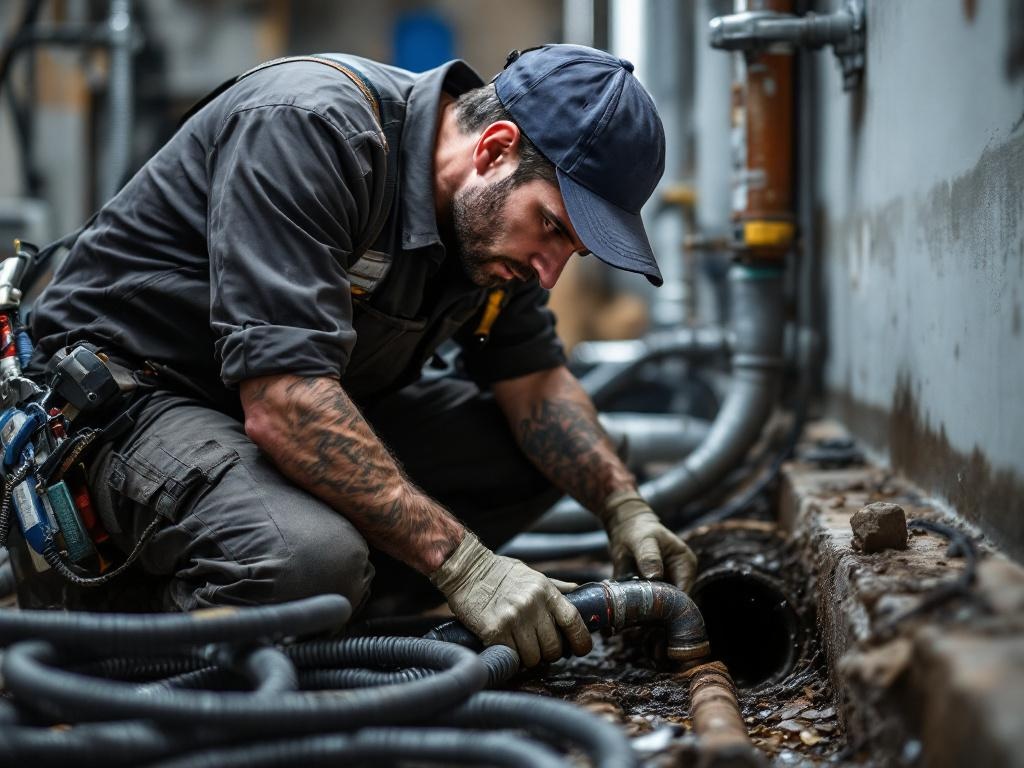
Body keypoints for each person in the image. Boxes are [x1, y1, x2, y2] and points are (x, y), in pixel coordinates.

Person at [28, 44, 697, 668]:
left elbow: (537, 382)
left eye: (570, 251)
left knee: (537, 454)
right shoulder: (313, 128)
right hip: (132, 403)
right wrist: (465, 566)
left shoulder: (488, 228)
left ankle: (325, 617)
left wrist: (622, 507)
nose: (550, 274)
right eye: (552, 228)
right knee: (302, 561)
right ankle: (111, 644)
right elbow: (286, 401)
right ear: (495, 149)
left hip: (270, 408)